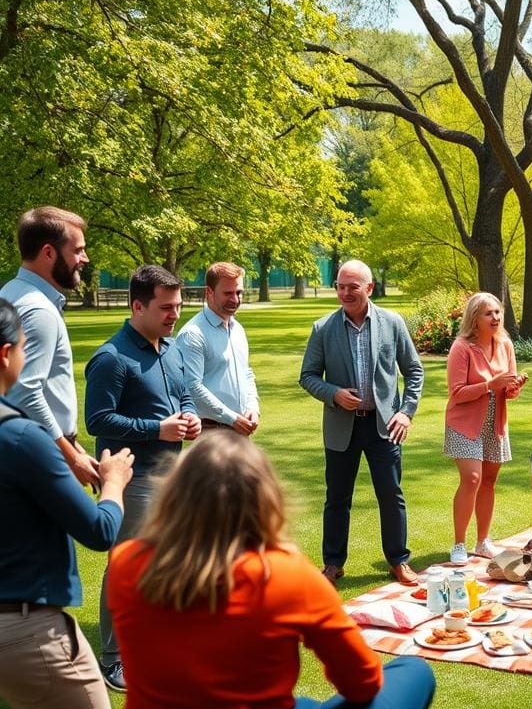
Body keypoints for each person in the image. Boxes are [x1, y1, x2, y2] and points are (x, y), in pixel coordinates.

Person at [107, 429, 436, 709]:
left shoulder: (126, 562)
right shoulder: (286, 575)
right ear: (263, 497)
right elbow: (362, 682)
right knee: (413, 670)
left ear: (175, 493)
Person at [0, 298, 134, 709]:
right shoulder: (22, 437)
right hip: (27, 631)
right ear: (6, 354)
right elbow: (98, 530)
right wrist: (113, 483)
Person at [85, 264, 201, 691]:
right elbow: (97, 420)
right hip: (130, 481)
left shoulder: (170, 348)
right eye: (166, 307)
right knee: (126, 567)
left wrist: (189, 417)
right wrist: (157, 429)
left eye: (178, 305)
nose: (175, 313)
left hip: (171, 478)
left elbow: (183, 392)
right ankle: (114, 659)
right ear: (137, 305)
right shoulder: (111, 358)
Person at [300, 259, 424, 588]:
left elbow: (414, 371)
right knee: (337, 498)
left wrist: (405, 411)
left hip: (384, 426)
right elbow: (308, 376)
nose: (344, 293)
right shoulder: (323, 328)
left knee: (391, 494)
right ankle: (333, 564)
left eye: (352, 287)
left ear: (368, 288)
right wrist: (333, 393)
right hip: (342, 426)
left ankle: (398, 561)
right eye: (340, 286)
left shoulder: (392, 323)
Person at [0, 206, 99, 488]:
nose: (85, 258)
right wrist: (69, 455)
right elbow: (25, 391)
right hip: (37, 456)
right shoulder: (38, 309)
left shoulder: (10, 293)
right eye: (78, 250)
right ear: (48, 253)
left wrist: (73, 445)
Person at [445, 292, 526, 565]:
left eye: (497, 312)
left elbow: (508, 390)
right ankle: (459, 544)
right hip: (464, 423)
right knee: (472, 479)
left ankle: (482, 542)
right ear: (474, 318)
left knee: (489, 481)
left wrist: (513, 387)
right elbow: (457, 393)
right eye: (488, 313)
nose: (495, 318)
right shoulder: (462, 348)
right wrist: (491, 385)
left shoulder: (505, 344)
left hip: (495, 422)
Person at [176, 262, 261, 434]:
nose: (235, 299)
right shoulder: (193, 334)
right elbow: (191, 387)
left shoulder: (237, 328)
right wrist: (231, 418)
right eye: (228, 293)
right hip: (212, 430)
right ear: (209, 292)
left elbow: (246, 372)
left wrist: (253, 406)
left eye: (239, 293)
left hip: (240, 426)